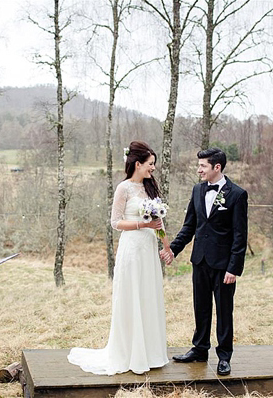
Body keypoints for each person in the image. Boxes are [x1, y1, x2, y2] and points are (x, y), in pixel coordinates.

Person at [68, 141, 170, 375]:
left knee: (148, 296)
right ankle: (130, 354)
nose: (153, 168)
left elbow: (159, 222)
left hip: (148, 251)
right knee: (132, 297)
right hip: (132, 250)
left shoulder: (150, 188)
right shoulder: (124, 188)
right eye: (150, 164)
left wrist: (167, 246)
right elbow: (115, 223)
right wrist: (141, 224)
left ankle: (151, 353)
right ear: (138, 164)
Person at [160, 147, 248, 376]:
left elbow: (240, 235)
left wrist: (234, 268)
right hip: (199, 260)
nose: (198, 170)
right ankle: (199, 349)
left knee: (224, 311)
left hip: (223, 265)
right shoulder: (197, 190)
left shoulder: (237, 194)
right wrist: (173, 250)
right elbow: (190, 226)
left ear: (216, 167)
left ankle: (224, 357)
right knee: (201, 307)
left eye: (202, 166)